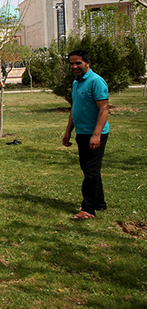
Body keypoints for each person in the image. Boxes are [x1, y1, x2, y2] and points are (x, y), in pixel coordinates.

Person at [62, 50, 110, 221]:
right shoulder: (76, 83)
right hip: (81, 133)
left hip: (95, 134)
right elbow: (75, 109)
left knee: (90, 171)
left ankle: (88, 209)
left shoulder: (96, 81)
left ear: (87, 63)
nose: (74, 66)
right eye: (72, 64)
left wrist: (96, 134)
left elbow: (104, 109)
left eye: (78, 63)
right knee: (89, 169)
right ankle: (99, 203)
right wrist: (68, 131)